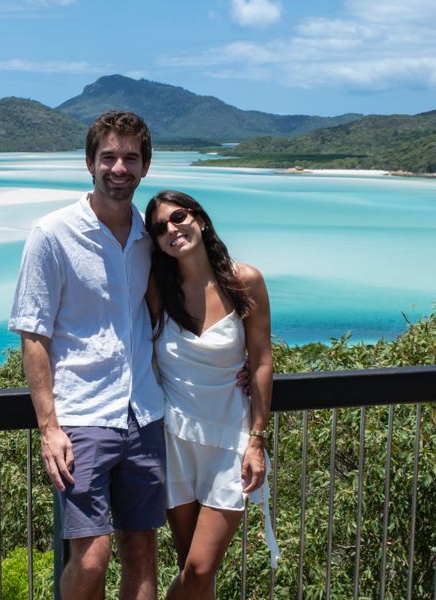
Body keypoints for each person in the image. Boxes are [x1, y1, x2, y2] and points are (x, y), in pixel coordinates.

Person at [8, 111, 166, 600]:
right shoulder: (52, 234)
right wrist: (49, 428)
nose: (119, 168)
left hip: (143, 411)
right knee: (92, 556)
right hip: (82, 416)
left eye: (130, 158)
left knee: (142, 549)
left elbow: (183, 304)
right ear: (89, 163)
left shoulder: (149, 235)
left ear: (145, 167)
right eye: (109, 157)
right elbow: (34, 333)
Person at [145, 190, 280, 600]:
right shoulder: (156, 290)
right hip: (175, 439)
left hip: (230, 441)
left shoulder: (245, 280)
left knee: (201, 567)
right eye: (159, 228)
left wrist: (257, 441)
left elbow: (261, 361)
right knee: (194, 569)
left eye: (179, 217)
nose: (172, 229)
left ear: (200, 220)